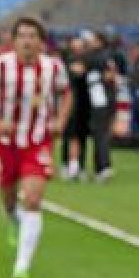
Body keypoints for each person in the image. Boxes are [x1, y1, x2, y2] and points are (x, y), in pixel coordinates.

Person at [0, 17, 71, 278]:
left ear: (41, 42)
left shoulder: (52, 67)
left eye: (32, 36)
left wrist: (60, 120)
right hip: (6, 143)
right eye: (22, 36)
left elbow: (66, 93)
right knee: (8, 199)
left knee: (33, 199)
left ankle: (21, 267)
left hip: (38, 142)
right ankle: (14, 220)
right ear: (14, 41)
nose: (27, 41)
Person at [83, 32, 117, 183]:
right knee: (98, 134)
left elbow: (110, 75)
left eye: (93, 40)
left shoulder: (101, 56)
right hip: (100, 99)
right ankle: (99, 168)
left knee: (101, 134)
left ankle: (104, 167)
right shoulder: (100, 56)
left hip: (101, 100)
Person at [61, 36, 92, 180]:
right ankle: (67, 164)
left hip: (85, 103)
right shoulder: (67, 60)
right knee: (70, 135)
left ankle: (80, 166)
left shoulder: (88, 60)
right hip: (71, 103)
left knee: (82, 135)